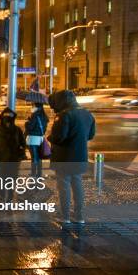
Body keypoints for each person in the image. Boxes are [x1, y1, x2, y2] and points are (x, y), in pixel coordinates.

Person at [48, 90, 96, 224]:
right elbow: (91, 135)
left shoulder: (64, 115)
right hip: (80, 156)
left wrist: (49, 136)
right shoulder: (87, 114)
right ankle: (79, 216)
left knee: (64, 186)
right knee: (77, 184)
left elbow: (59, 137)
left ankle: (65, 216)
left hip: (64, 157)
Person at [0, 108, 26, 203]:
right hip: (1, 160)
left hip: (13, 160)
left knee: (11, 179)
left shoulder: (17, 130)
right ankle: (2, 196)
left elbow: (23, 143)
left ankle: (9, 197)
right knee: (1, 179)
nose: (7, 122)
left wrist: (20, 154)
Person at [24, 103, 49, 178]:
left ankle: (33, 173)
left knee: (34, 157)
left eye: (33, 105)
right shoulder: (44, 116)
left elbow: (30, 127)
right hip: (40, 138)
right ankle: (39, 173)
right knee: (39, 157)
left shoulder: (35, 115)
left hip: (33, 139)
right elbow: (44, 129)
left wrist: (27, 122)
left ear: (37, 107)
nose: (32, 107)